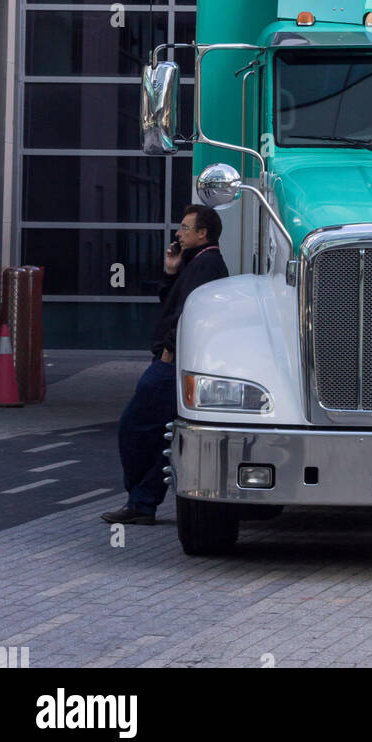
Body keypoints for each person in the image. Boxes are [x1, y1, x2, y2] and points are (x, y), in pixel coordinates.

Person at [101, 205, 228, 525]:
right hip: (171, 360)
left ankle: (138, 496)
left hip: (170, 364)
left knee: (134, 428)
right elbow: (170, 303)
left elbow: (190, 312)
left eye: (185, 228)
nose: (178, 233)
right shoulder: (194, 262)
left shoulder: (208, 264)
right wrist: (171, 271)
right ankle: (142, 502)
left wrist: (170, 349)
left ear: (203, 233)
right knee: (166, 438)